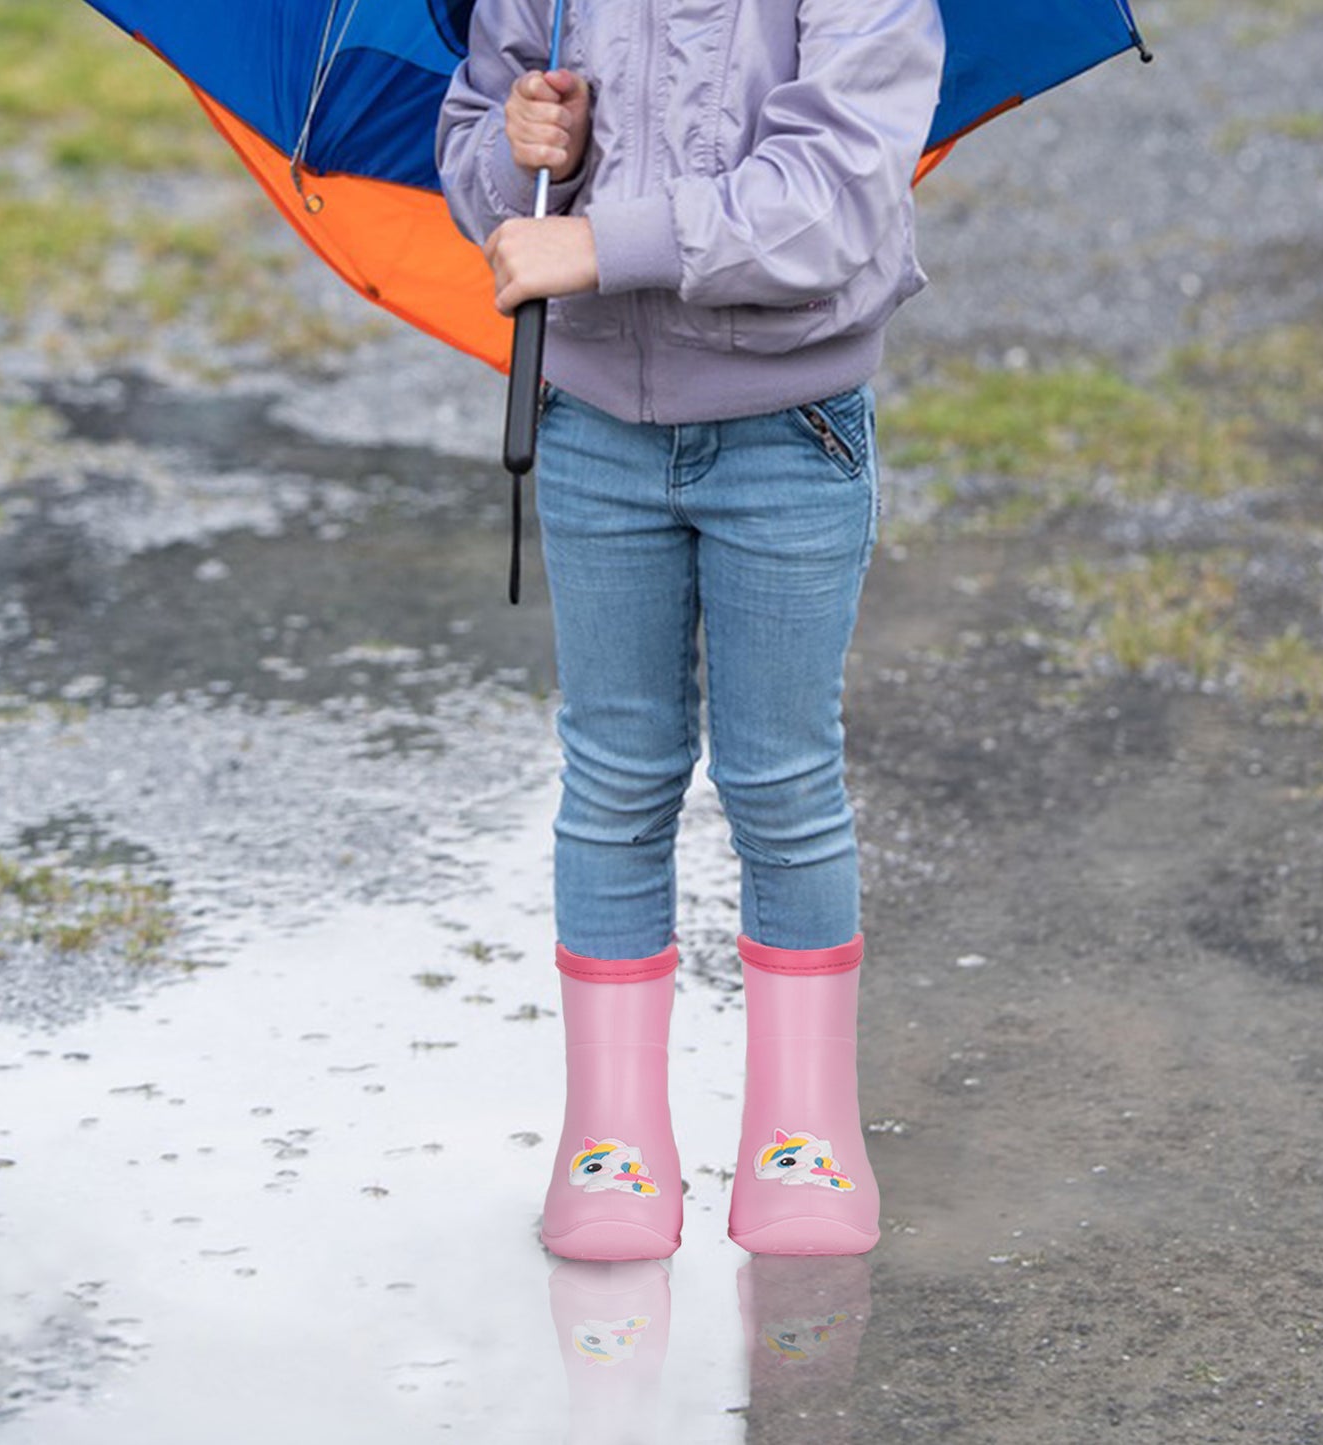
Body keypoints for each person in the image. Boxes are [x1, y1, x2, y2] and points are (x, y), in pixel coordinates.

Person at [437, 0, 944, 1260]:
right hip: (593, 426)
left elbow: (832, 195)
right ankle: (611, 1139)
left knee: (780, 776)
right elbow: (471, 167)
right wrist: (516, 148)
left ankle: (804, 1130)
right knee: (612, 774)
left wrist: (603, 243)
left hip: (791, 427)